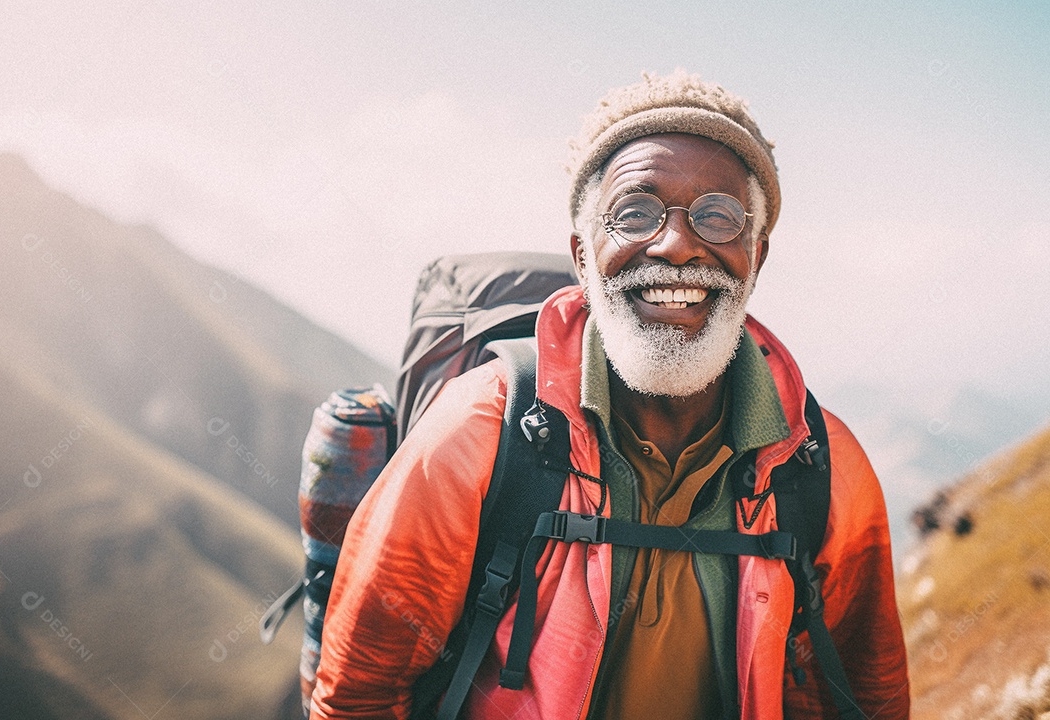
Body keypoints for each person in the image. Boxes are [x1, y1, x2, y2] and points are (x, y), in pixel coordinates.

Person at [309, 70, 909, 720]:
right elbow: (361, 694)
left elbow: (862, 696)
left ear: (756, 256)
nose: (677, 245)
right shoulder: (479, 434)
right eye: (634, 213)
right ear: (583, 255)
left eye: (717, 215)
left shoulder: (819, 462)